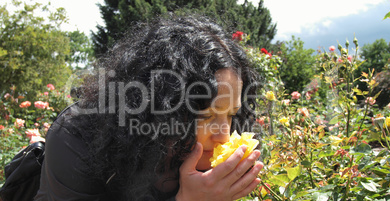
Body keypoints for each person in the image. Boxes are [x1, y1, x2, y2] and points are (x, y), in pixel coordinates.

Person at [34, 14, 263, 201]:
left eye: (231, 114)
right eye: (205, 116)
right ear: (162, 107)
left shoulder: (202, 158)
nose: (224, 135)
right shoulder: (76, 139)